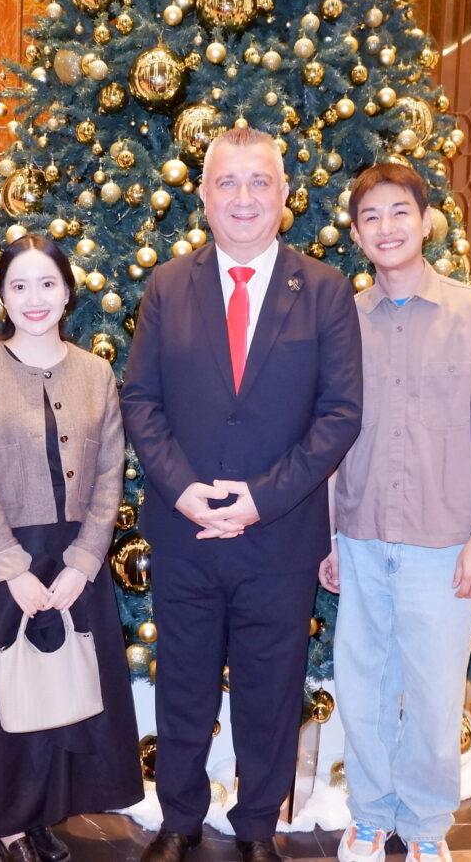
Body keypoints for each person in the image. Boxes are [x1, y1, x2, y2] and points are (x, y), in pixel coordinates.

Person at [121, 127, 363, 862]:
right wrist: (182, 490)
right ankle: (180, 820)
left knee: (270, 690)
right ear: (203, 196)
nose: (244, 197)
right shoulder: (168, 286)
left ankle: (258, 826)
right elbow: (141, 401)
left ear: (285, 194)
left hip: (279, 537)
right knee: (183, 686)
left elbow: (339, 415)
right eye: (227, 182)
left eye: (260, 181)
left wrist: (262, 499)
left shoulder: (324, 291)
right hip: (185, 532)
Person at [322, 164, 471, 862]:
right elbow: (328, 436)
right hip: (360, 538)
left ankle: (422, 826)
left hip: (445, 545)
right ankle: (368, 815)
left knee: (433, 694)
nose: (386, 227)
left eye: (399, 212)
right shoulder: (343, 322)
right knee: (362, 689)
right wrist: (329, 536)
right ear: (357, 234)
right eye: (370, 217)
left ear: (425, 221)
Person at [0, 235, 143, 862]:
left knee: (65, 692)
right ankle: (5, 822)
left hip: (74, 563)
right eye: (19, 286)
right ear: (1, 296)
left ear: (68, 291)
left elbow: (110, 473)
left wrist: (84, 561)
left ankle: (43, 813)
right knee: (1, 695)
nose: (34, 298)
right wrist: (11, 568)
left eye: (47, 283)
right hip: (4, 566)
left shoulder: (96, 373)